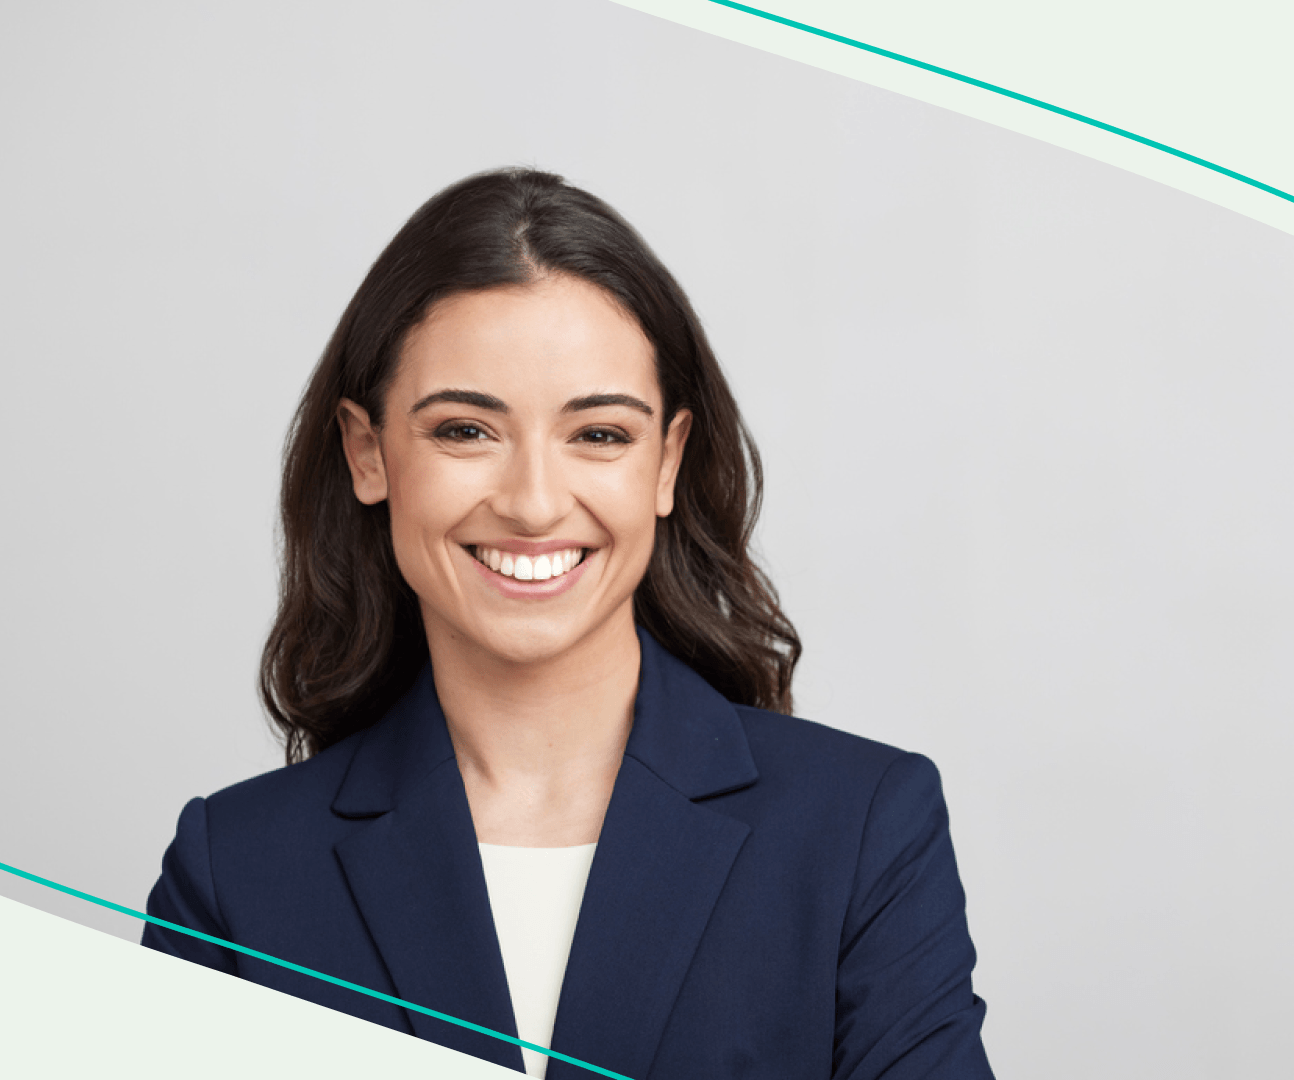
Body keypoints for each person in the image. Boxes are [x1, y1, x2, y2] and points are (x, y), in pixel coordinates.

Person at [141, 167, 994, 1080]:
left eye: (598, 435)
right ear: (367, 452)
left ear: (667, 462)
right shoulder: (235, 872)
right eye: (466, 430)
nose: (535, 504)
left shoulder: (860, 829)